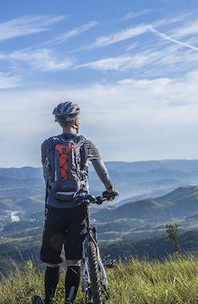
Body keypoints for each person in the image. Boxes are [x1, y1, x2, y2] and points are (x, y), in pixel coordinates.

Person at [35, 101, 118, 304]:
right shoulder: (87, 144)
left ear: (59, 121)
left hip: (55, 208)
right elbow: (102, 171)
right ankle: (70, 301)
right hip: (78, 207)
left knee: (52, 262)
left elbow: (47, 175)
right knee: (74, 259)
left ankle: (49, 300)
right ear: (77, 120)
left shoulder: (48, 145)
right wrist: (110, 189)